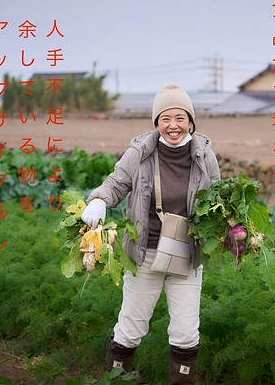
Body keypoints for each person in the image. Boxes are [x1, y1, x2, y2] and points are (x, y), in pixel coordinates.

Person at [80, 84, 220, 384]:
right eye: (166, 118)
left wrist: (231, 227)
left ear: (191, 121)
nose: (173, 126)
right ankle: (116, 379)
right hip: (144, 255)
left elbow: (216, 201)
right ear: (156, 122)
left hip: (187, 256)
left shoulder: (204, 157)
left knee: (186, 332)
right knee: (131, 327)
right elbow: (116, 183)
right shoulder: (139, 154)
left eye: (180, 118)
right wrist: (99, 200)